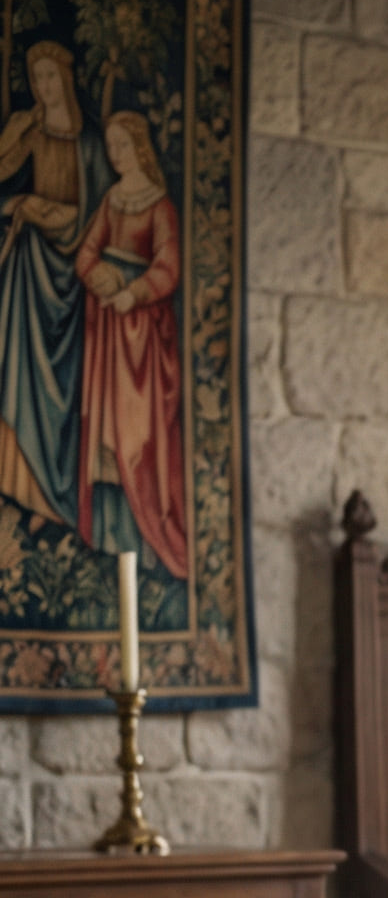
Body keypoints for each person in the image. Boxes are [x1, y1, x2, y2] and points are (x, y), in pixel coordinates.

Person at [0, 40, 108, 530]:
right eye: (35, 77)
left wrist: (39, 211)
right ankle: (20, 486)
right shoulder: (35, 132)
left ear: (63, 79)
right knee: (17, 371)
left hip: (71, 274)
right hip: (30, 267)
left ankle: (53, 495)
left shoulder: (90, 144)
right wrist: (14, 131)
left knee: (62, 388)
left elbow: (99, 218)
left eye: (49, 76)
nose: (42, 86)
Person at [75, 109, 186, 576]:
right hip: (107, 331)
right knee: (104, 436)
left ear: (140, 148)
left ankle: (146, 541)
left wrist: (133, 292)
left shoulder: (159, 205)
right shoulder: (112, 199)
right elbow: (86, 250)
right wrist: (96, 274)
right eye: (110, 147)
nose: (113, 154)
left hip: (140, 335)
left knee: (136, 437)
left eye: (121, 146)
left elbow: (168, 268)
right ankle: (111, 542)